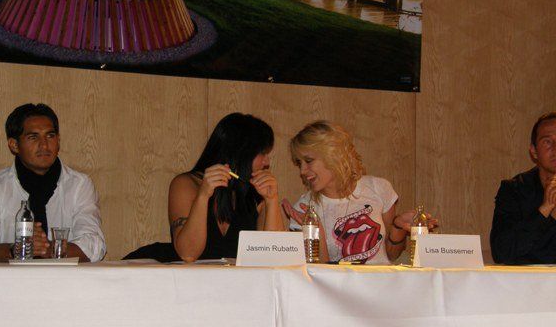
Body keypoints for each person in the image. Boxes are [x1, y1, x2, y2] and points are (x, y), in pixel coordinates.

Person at [0, 103, 106, 262]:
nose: (44, 145)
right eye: (33, 137)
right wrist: (17, 249)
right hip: (10, 278)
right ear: (14, 145)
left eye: (50, 136)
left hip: (64, 277)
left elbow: (94, 245)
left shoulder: (79, 185)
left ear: (58, 141)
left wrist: (49, 249)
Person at [282, 120, 434, 264]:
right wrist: (317, 232)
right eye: (299, 163)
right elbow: (317, 276)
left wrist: (398, 226)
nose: (302, 171)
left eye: (308, 161)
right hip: (334, 284)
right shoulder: (304, 210)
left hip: (381, 282)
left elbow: (391, 256)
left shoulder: (378, 188)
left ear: (333, 155)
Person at [168, 112, 285, 262]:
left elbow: (274, 255)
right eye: (262, 153)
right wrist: (203, 196)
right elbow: (188, 254)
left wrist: (272, 200)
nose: (267, 162)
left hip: (242, 277)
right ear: (240, 152)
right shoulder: (186, 184)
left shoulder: (255, 192)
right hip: (192, 276)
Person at [491, 112, 556, 264]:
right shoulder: (514, 190)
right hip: (528, 278)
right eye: (547, 141)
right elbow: (501, 253)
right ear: (534, 151)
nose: (555, 148)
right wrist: (544, 210)